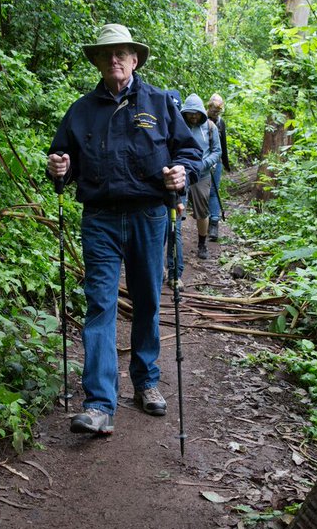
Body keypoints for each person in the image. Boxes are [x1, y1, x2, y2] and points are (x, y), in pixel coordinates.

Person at [46, 23, 202, 435]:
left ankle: (146, 380)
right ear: (97, 61)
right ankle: (99, 403)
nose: (114, 59)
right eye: (106, 53)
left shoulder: (160, 102)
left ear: (135, 59)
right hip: (99, 217)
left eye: (122, 52)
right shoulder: (81, 110)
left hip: (149, 215)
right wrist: (58, 167)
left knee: (148, 298)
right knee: (100, 303)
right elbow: (62, 159)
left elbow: (190, 151)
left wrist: (182, 171)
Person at [180, 94, 222, 260]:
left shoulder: (210, 127)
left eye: (196, 113)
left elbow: (217, 151)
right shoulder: (179, 125)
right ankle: (175, 246)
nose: (193, 116)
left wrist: (203, 164)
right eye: (190, 113)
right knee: (177, 209)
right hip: (182, 174)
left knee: (202, 211)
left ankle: (202, 244)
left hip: (202, 175)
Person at [205, 93, 232, 242]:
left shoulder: (221, 123)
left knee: (214, 192)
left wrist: (226, 163)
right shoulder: (201, 119)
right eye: (214, 110)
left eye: (218, 111)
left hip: (217, 160)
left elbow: (223, 144)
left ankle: (214, 223)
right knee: (203, 190)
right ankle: (203, 220)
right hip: (203, 160)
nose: (216, 113)